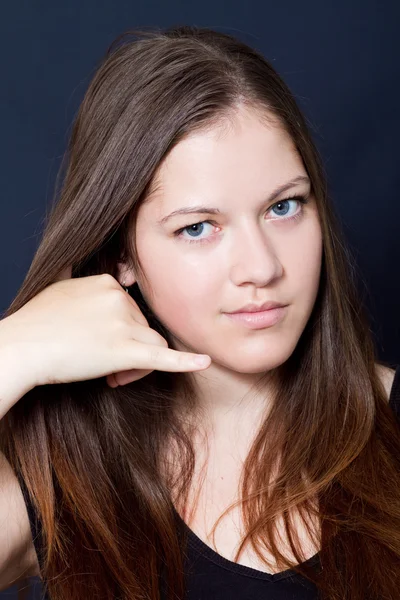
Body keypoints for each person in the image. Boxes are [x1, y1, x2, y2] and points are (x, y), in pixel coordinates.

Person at [0, 24, 399, 600]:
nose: (261, 267)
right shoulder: (64, 481)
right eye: (197, 228)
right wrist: (15, 348)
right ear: (120, 254)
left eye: (284, 206)